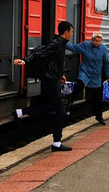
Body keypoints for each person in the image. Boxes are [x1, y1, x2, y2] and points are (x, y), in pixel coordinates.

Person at [13, 21, 74, 152]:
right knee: (61, 112)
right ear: (66, 32)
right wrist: (25, 60)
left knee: (53, 107)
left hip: (53, 79)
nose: (72, 34)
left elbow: (55, 62)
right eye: (71, 32)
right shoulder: (56, 43)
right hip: (50, 81)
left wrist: (61, 75)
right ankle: (56, 143)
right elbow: (40, 53)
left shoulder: (60, 43)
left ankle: (20, 112)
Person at [66, 32, 109, 125]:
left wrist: (108, 75)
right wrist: (63, 41)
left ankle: (99, 116)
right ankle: (69, 102)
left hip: (96, 75)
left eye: (99, 41)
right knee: (79, 85)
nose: (96, 43)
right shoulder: (86, 45)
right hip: (85, 71)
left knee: (97, 97)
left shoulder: (103, 49)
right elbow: (73, 47)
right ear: (92, 40)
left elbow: (106, 63)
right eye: (95, 41)